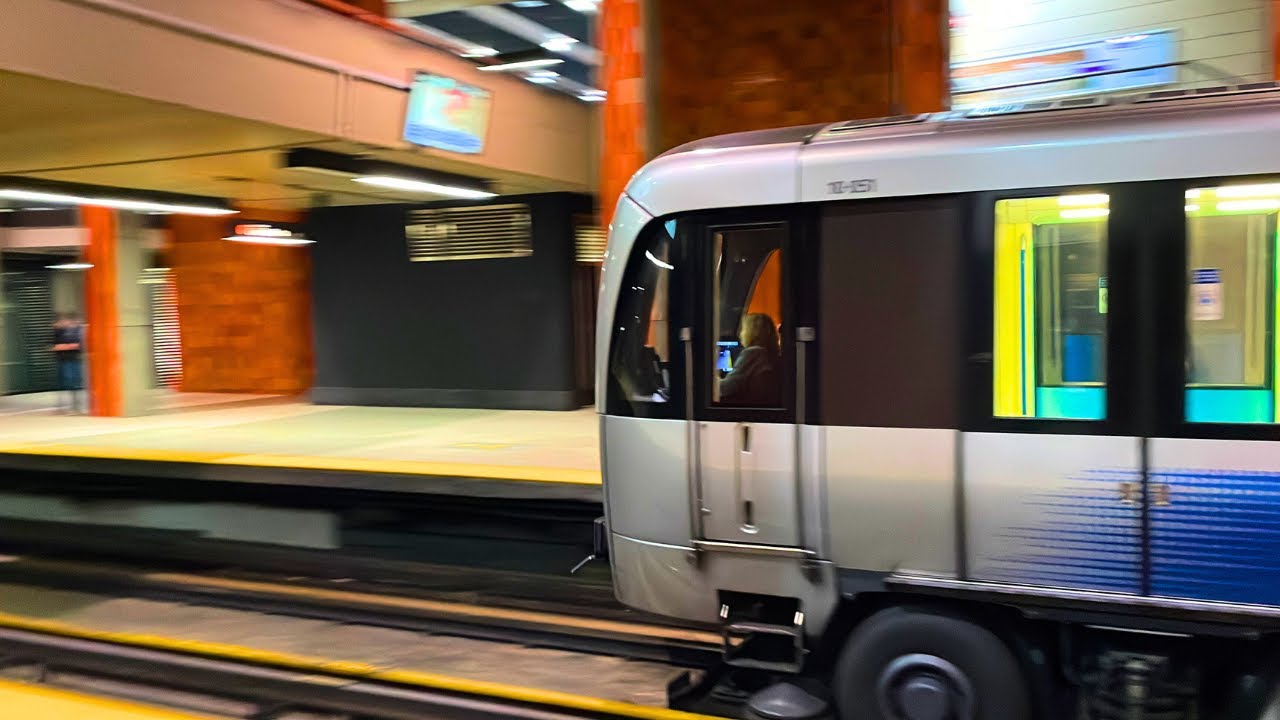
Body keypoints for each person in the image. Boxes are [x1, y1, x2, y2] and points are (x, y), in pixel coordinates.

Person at [719, 312, 780, 406]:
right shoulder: (771, 353)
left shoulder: (753, 353)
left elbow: (724, 389)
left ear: (752, 332)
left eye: (743, 329)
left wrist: (712, 377)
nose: (740, 334)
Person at [52, 312, 84, 414]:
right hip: (63, 360)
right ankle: (63, 407)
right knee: (64, 383)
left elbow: (77, 345)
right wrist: (65, 346)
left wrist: (63, 347)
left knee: (73, 383)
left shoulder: (75, 331)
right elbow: (54, 346)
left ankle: (75, 406)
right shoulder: (58, 332)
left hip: (72, 360)